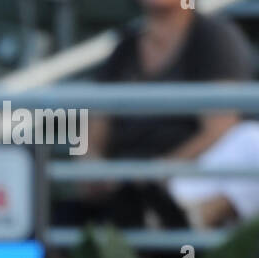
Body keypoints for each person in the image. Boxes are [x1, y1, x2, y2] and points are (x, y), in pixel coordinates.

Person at [56, 0, 257, 231]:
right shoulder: (124, 49)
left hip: (186, 178)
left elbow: (219, 129)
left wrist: (158, 171)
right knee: (64, 220)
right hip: (125, 187)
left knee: (253, 141)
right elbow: (92, 137)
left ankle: (181, 224)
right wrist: (94, 168)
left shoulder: (213, 37)